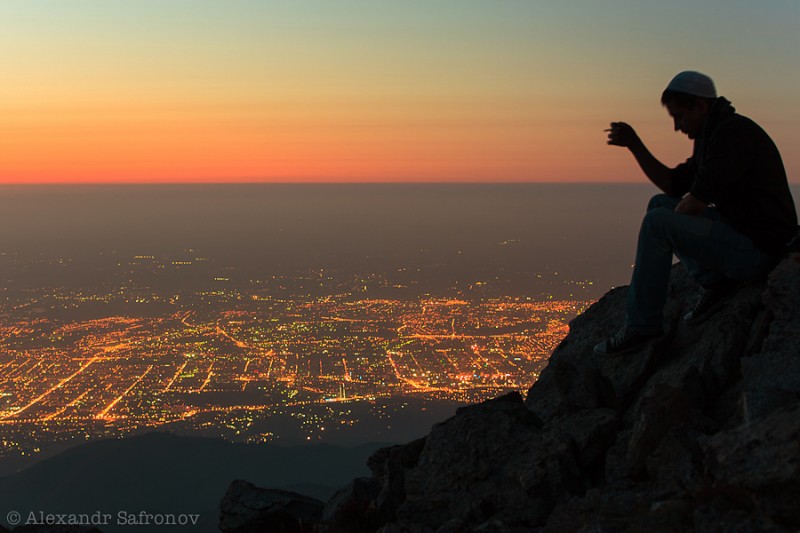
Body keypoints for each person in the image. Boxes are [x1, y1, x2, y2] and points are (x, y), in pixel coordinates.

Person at [595, 70, 797, 355]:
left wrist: (673, 225)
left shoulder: (732, 134)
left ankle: (642, 326)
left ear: (700, 106)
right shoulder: (713, 134)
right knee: (659, 204)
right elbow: (674, 185)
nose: (677, 126)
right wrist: (635, 146)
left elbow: (695, 201)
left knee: (658, 222)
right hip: (743, 237)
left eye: (680, 116)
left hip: (760, 252)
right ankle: (715, 282)